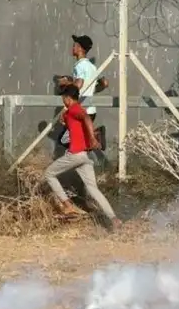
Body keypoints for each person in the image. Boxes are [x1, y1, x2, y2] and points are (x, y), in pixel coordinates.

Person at [44, 85, 121, 231]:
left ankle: (68, 206)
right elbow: (76, 124)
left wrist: (92, 138)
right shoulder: (70, 113)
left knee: (49, 174)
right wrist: (64, 119)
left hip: (75, 154)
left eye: (63, 98)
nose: (62, 101)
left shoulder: (75, 109)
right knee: (93, 189)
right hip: (85, 157)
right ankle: (114, 219)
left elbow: (86, 117)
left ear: (67, 98)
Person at [56, 34, 108, 154]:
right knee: (75, 138)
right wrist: (93, 91)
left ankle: (95, 134)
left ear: (80, 48)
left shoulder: (79, 66)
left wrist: (67, 83)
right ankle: (93, 137)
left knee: (64, 140)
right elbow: (105, 83)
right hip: (91, 110)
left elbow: (79, 84)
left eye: (74, 45)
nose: (72, 47)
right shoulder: (92, 66)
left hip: (80, 110)